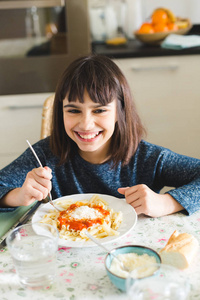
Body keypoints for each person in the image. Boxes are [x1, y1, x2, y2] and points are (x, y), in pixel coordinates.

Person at [0, 54, 200, 217]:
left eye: (99, 110)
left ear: (119, 112)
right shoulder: (45, 154)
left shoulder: (149, 158)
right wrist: (19, 196)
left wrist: (166, 202)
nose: (86, 124)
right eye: (73, 111)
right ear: (60, 112)